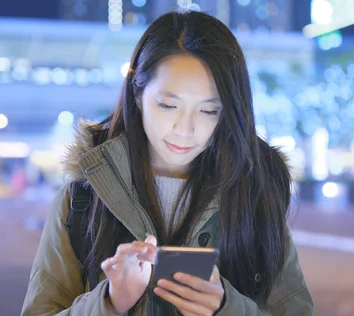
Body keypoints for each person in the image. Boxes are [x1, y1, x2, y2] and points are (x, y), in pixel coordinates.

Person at [22, 10, 314, 316]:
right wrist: (108, 303)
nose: (185, 128)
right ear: (137, 93)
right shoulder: (81, 199)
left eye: (209, 110)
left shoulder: (256, 196)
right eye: (168, 105)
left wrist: (228, 308)